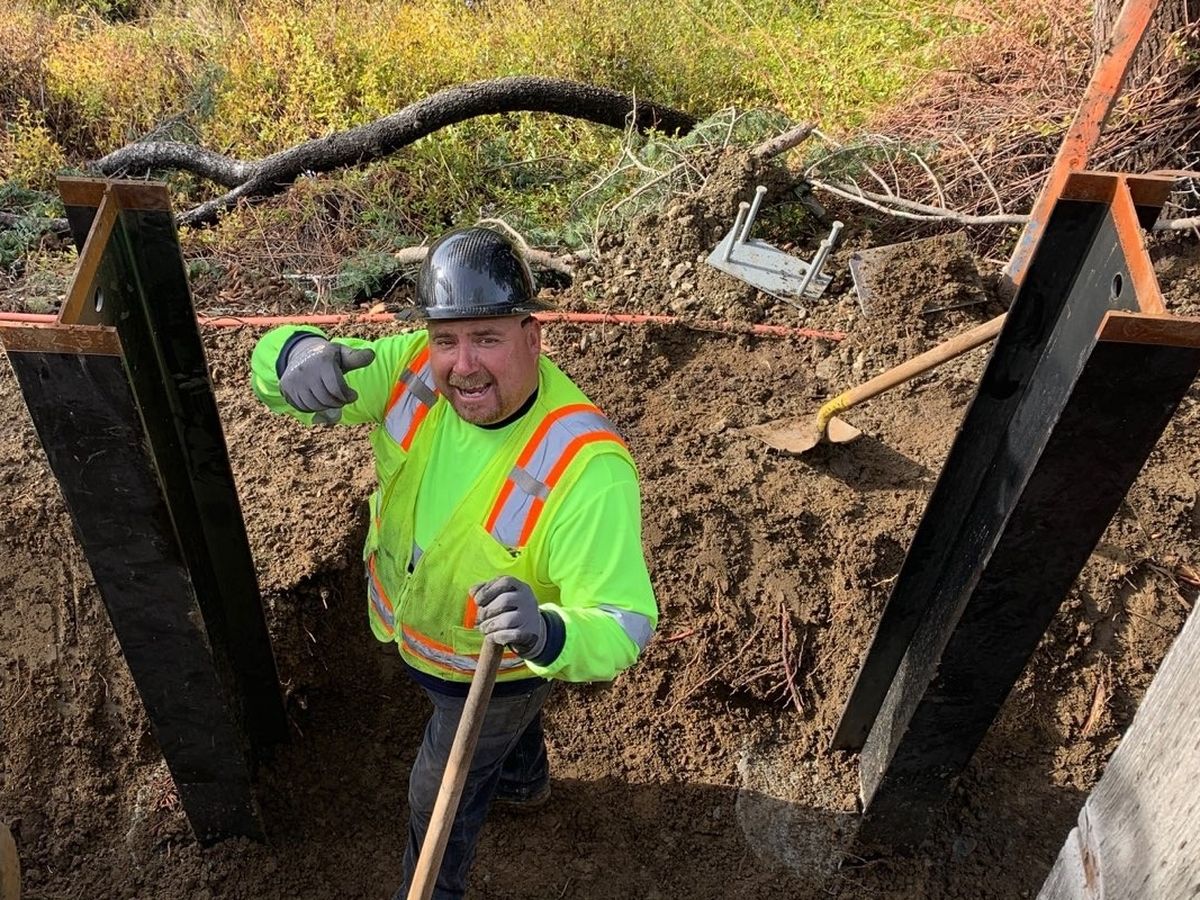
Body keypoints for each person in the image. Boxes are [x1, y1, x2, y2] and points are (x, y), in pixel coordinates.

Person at [250, 226, 658, 899]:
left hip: (494, 675)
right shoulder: (412, 371)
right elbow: (270, 370)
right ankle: (523, 782)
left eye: (486, 338)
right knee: (506, 739)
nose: (462, 365)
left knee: (438, 795)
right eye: (446, 339)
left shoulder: (587, 468)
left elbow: (622, 622)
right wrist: (295, 354)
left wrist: (548, 633)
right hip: (423, 640)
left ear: (532, 336)